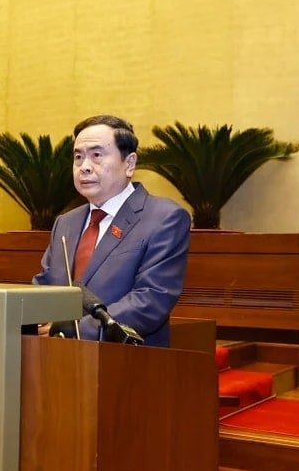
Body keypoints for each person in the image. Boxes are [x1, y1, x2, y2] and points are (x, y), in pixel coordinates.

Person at [32, 115, 191, 347]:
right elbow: (44, 286)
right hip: (57, 361)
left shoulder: (164, 218)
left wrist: (69, 331)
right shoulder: (65, 223)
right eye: (78, 157)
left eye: (96, 155)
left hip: (126, 363)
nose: (84, 166)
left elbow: (151, 299)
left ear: (129, 164)